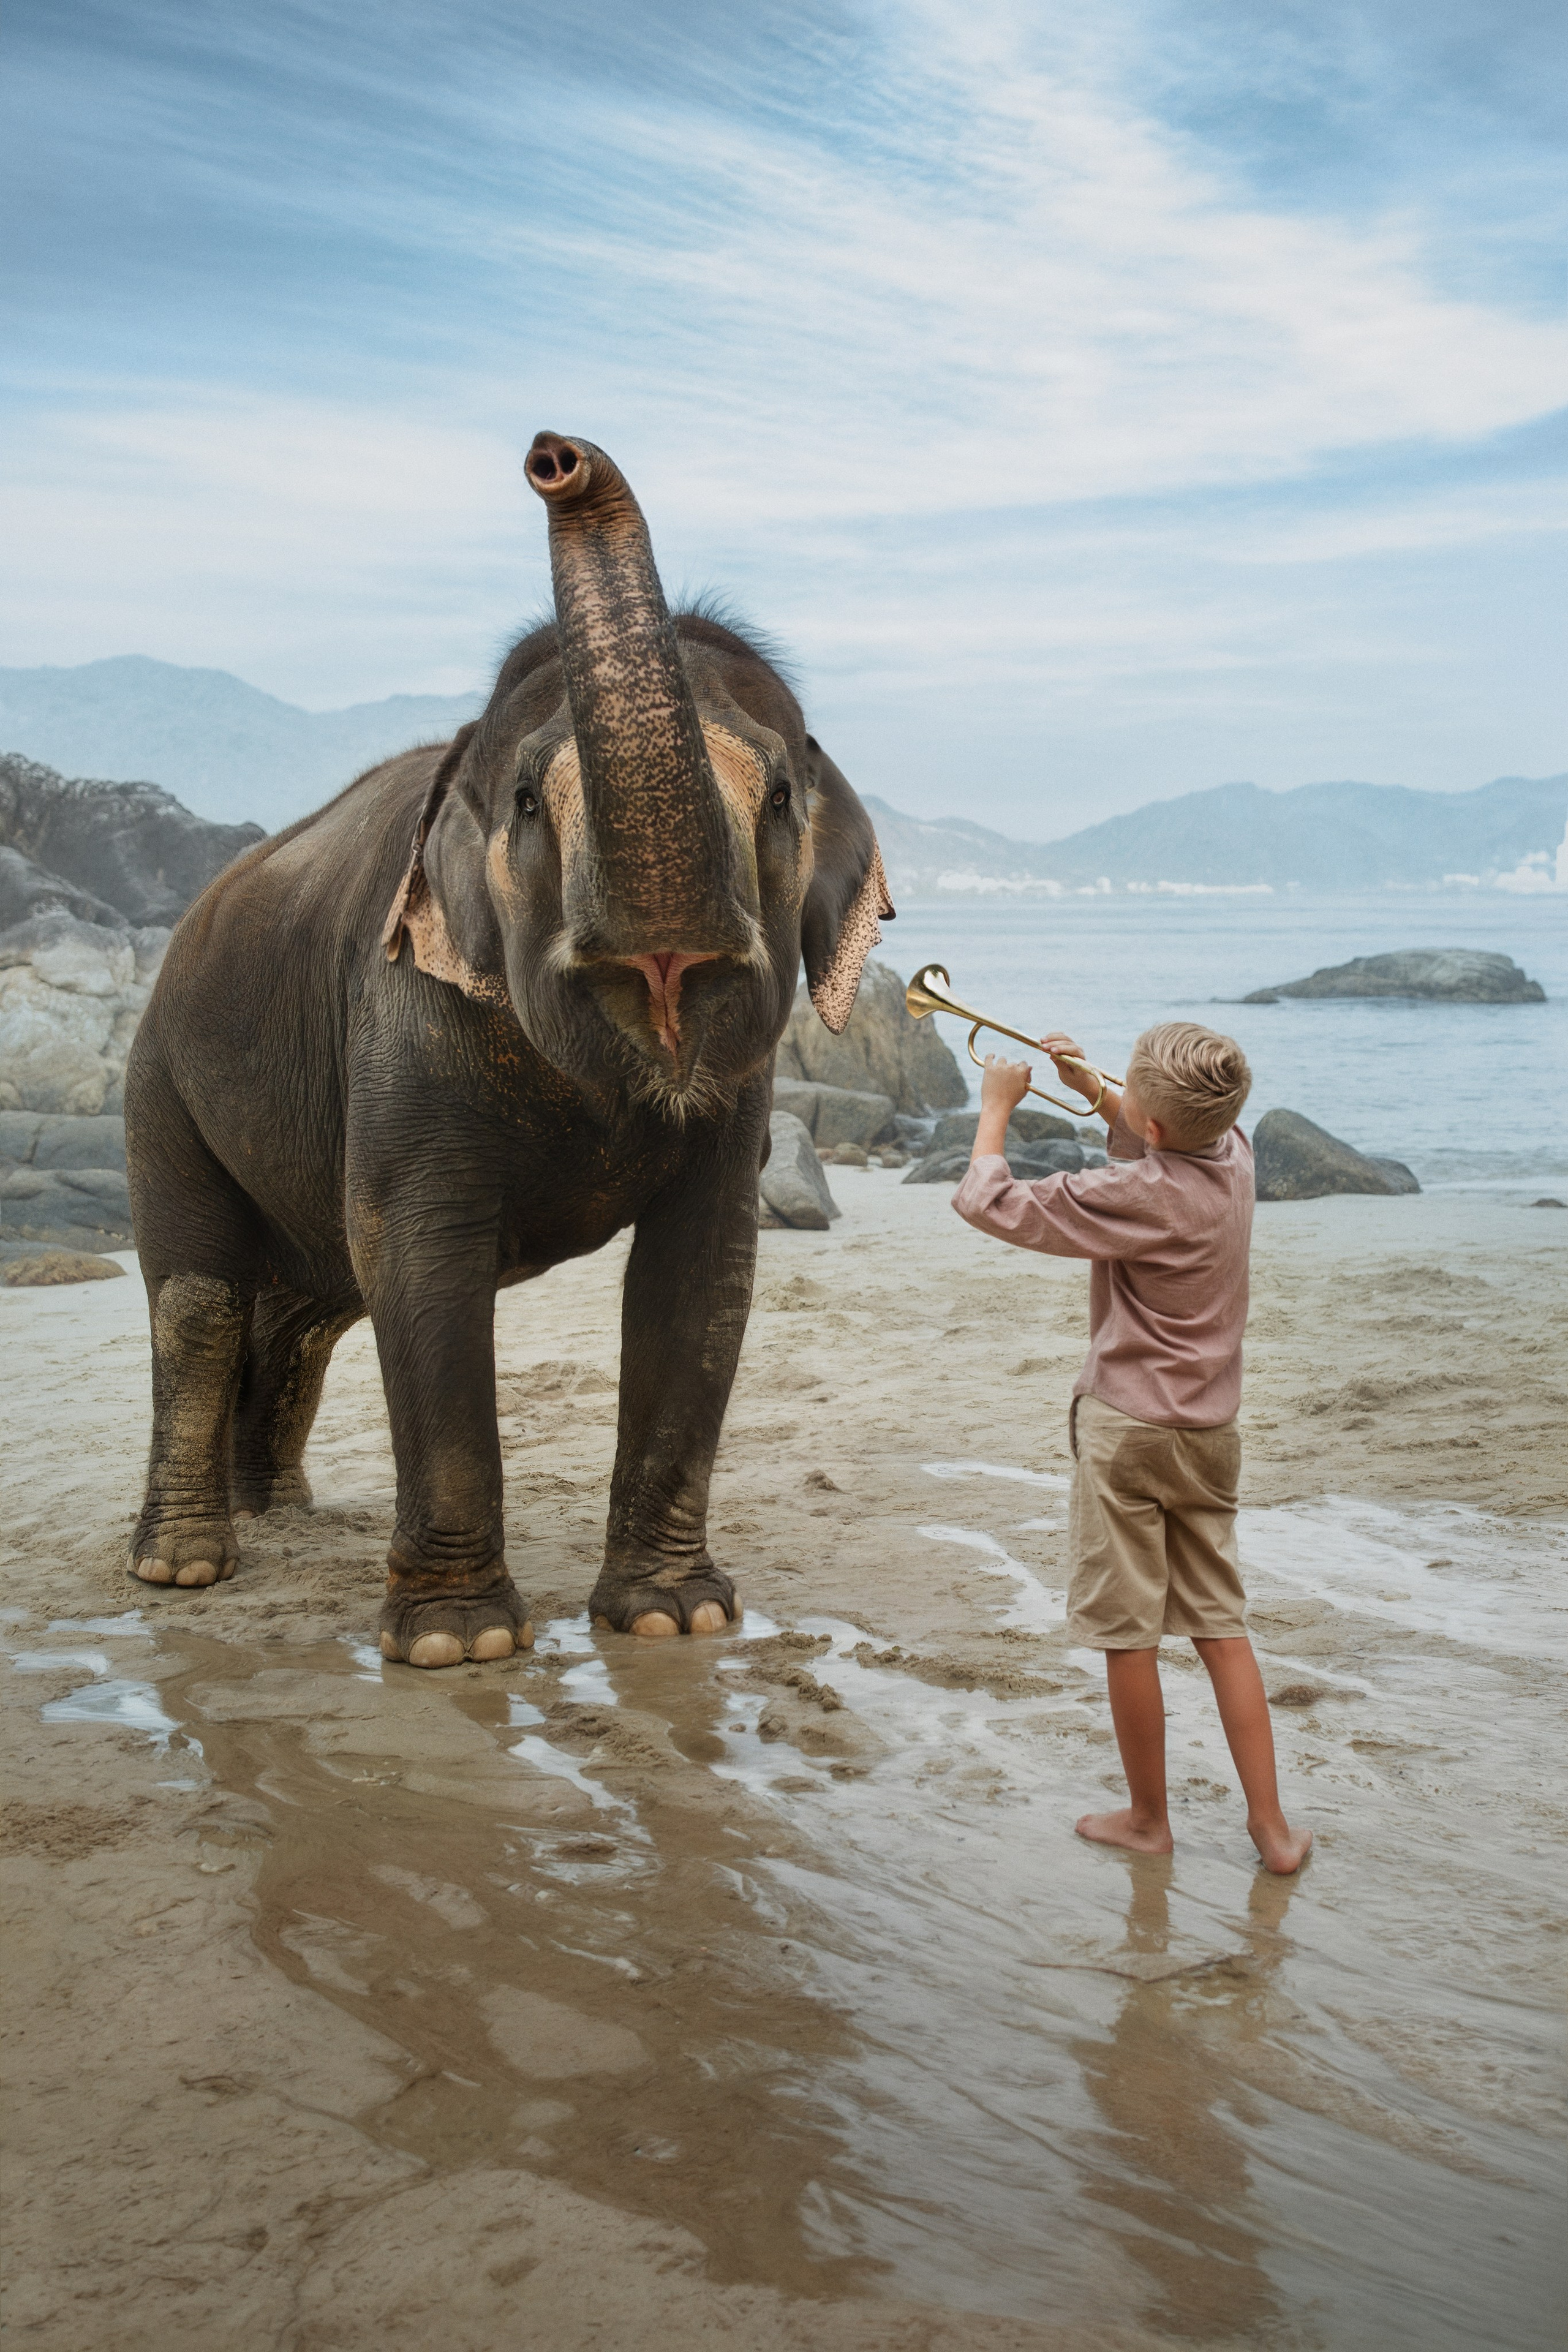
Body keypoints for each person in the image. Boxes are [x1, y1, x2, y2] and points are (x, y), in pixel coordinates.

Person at [951, 1021, 1311, 1875]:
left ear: (1152, 1130)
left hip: (1127, 1433)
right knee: (1223, 1628)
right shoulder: (1238, 1154)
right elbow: (1164, 1142)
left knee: (1130, 1633)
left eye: (1132, 1102)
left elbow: (989, 1202)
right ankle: (1272, 1828)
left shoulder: (1137, 1195)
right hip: (1209, 1434)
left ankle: (1150, 1819)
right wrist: (1097, 1095)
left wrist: (996, 1109)